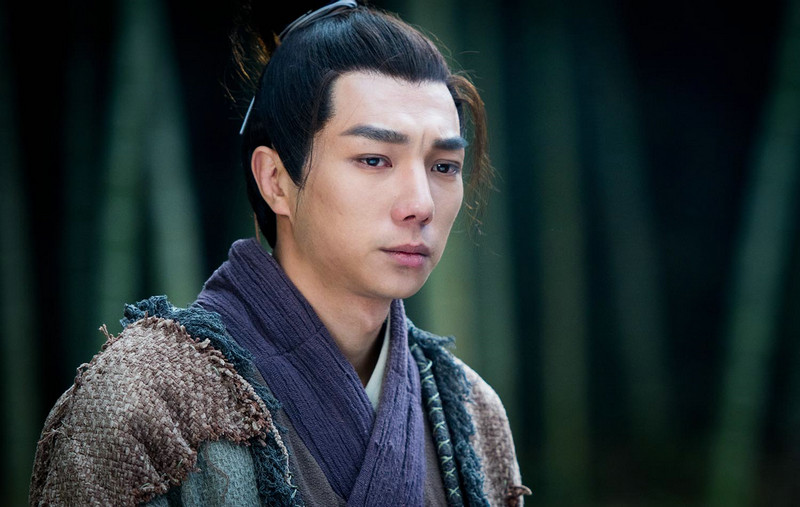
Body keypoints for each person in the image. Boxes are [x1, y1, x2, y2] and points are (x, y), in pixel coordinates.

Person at [29, 1, 529, 505]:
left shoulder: (469, 411)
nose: (421, 204)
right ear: (275, 180)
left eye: (444, 166)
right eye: (374, 159)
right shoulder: (146, 398)